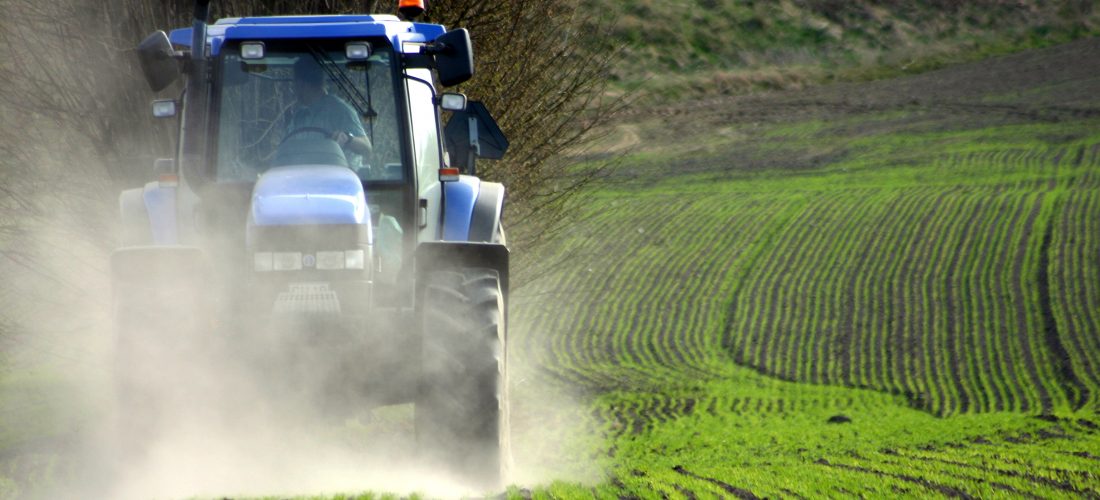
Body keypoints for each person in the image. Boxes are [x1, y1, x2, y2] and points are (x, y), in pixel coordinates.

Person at [287, 57, 372, 159]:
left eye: (294, 83)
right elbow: (285, 147)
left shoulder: (340, 110)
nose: (293, 89)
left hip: (338, 173)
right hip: (302, 173)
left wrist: (348, 138)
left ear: (301, 84)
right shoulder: (299, 117)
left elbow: (367, 148)